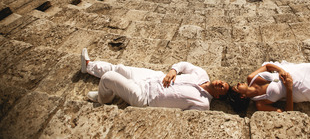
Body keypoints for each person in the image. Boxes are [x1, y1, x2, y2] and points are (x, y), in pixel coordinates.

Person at [80, 48, 229, 110]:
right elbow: (183, 65)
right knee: (120, 69)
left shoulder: (203, 103)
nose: (221, 83)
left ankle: (103, 99)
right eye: (223, 82)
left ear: (217, 96)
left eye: (222, 88)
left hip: (145, 97)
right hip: (154, 77)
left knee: (108, 78)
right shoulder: (202, 74)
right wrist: (173, 70)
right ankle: (88, 66)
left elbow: (182, 117)